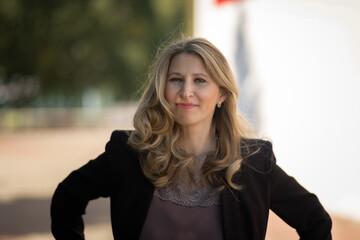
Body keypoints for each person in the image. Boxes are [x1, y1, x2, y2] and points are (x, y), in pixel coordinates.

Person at [51, 37, 332, 240]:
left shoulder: (255, 163)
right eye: (175, 79)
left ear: (221, 94)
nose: (186, 91)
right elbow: (66, 198)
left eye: (200, 80)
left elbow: (315, 220)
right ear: (163, 88)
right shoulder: (129, 154)